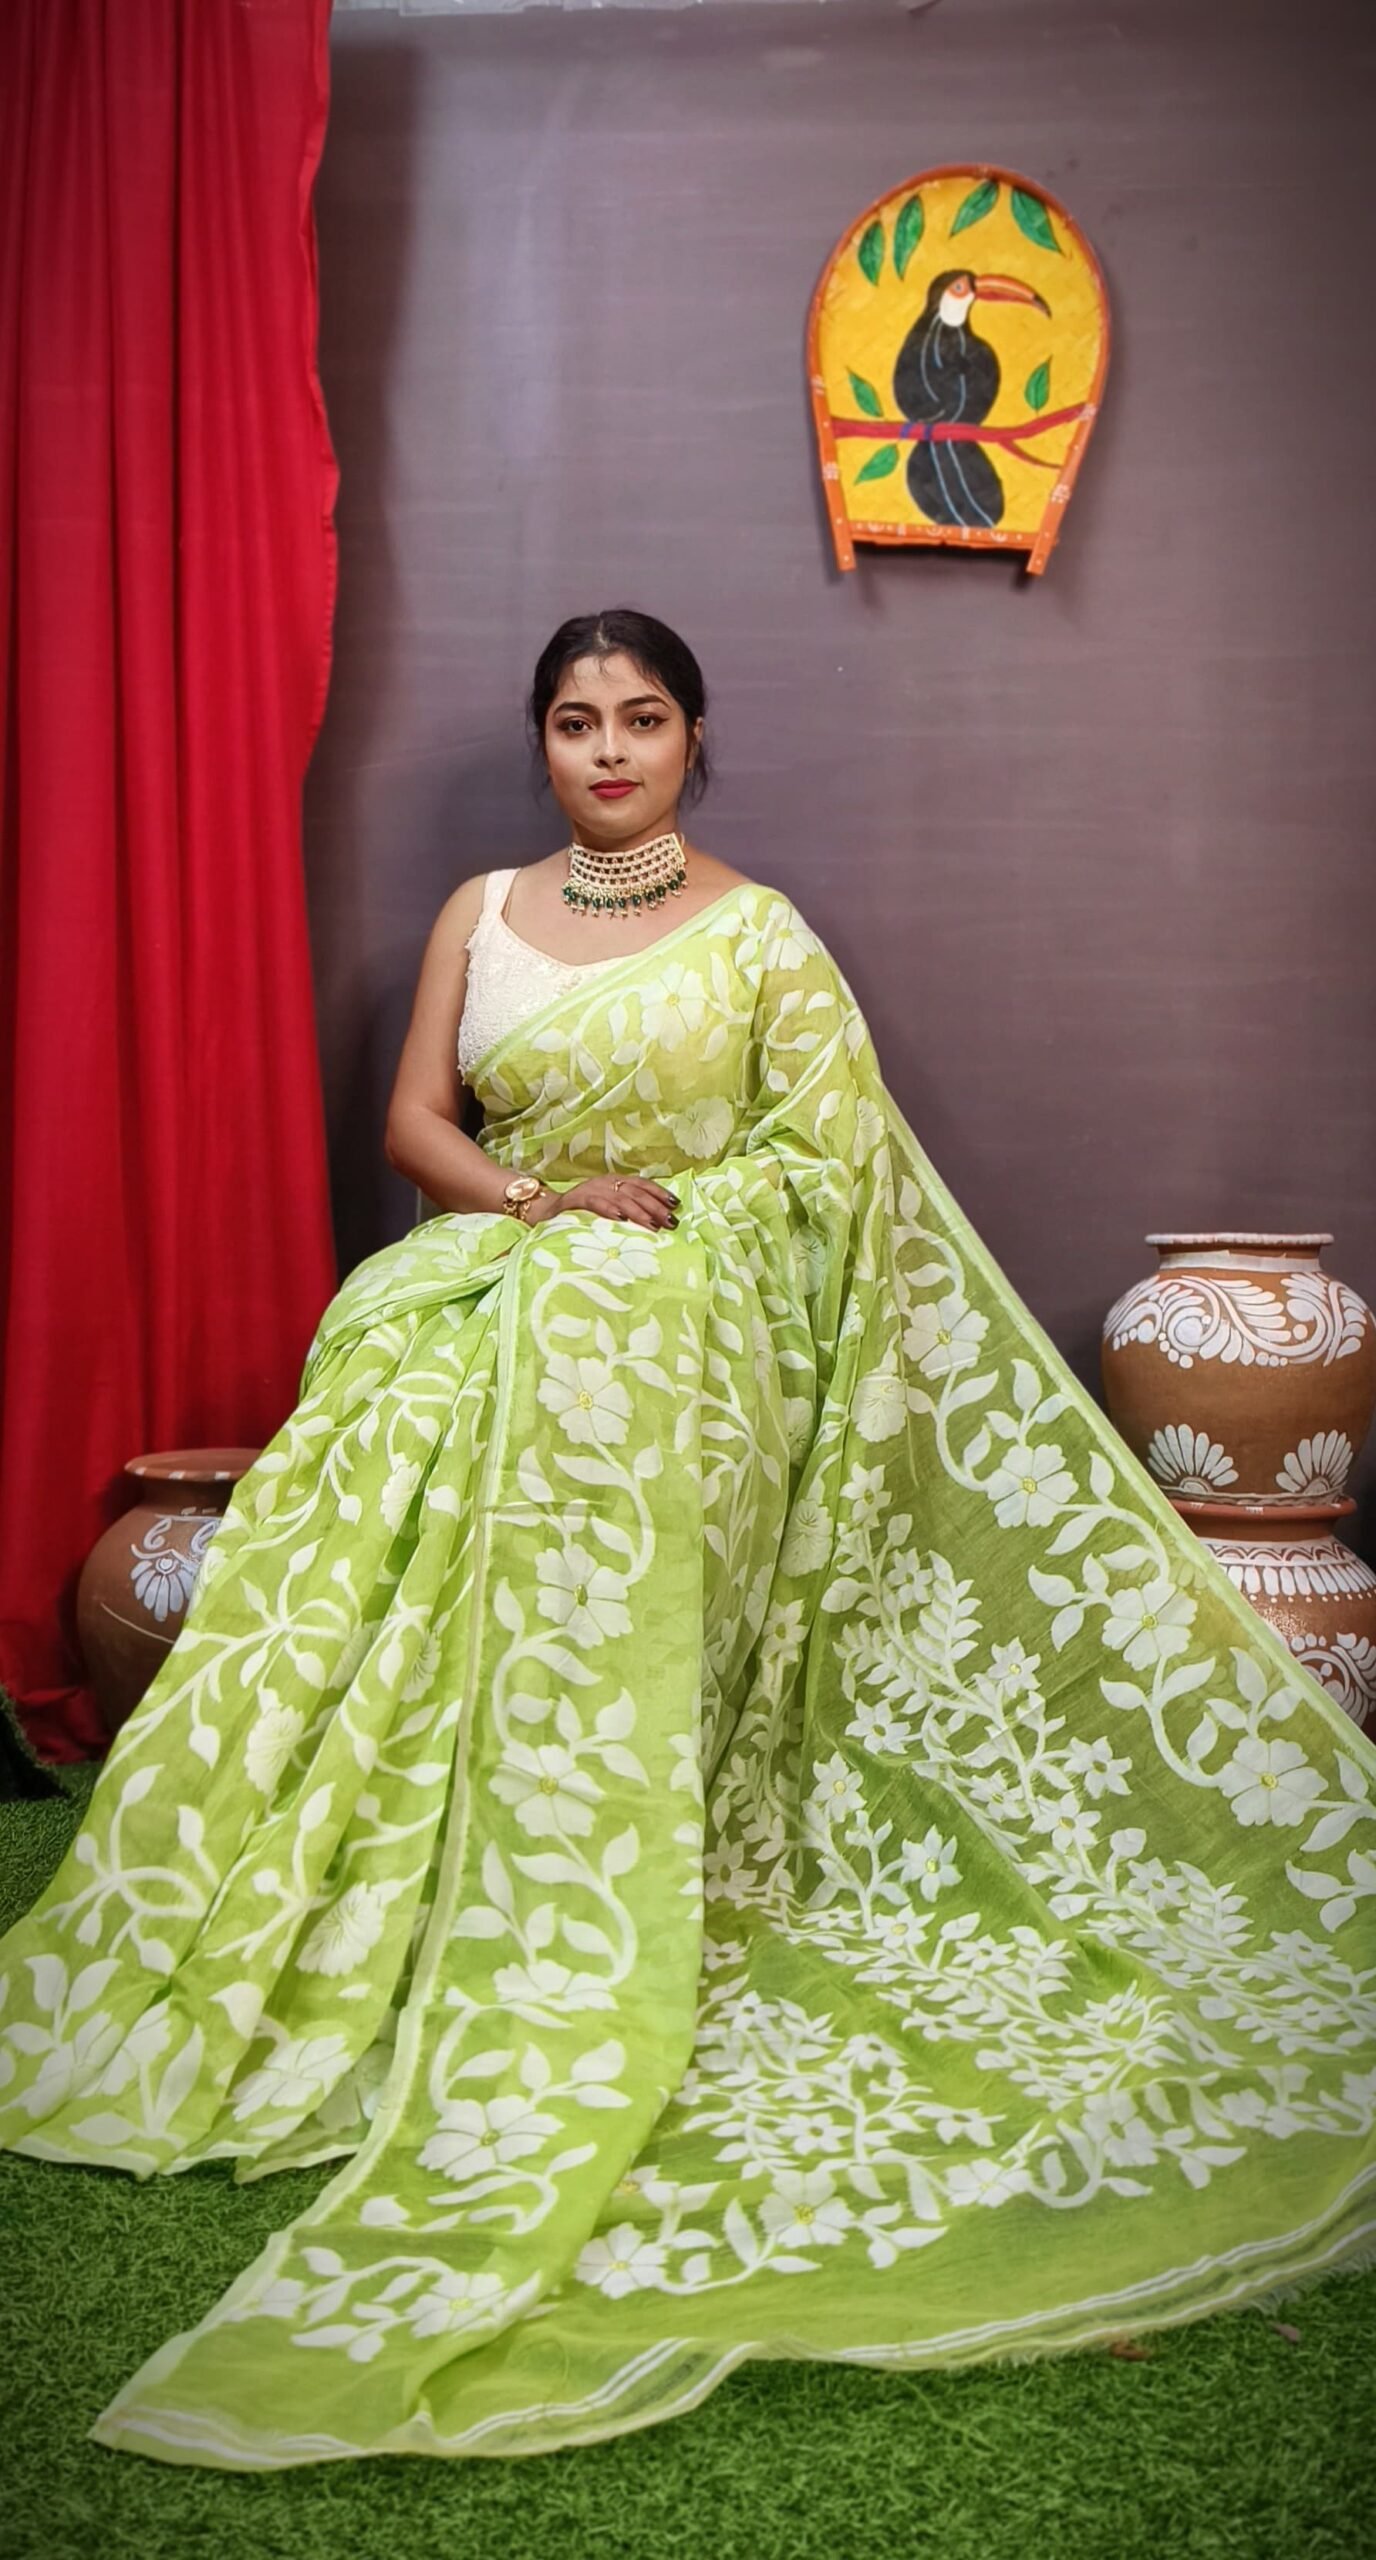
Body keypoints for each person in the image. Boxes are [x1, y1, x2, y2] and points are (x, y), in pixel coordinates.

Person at [1, 609, 1372, 2472]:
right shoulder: (482, 912)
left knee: (601, 1321)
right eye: (576, 721)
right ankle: (362, 1882)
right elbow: (414, 1122)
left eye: (641, 719)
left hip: (685, 1312)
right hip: (486, 1276)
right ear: (542, 744)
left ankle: (573, 1878)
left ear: (693, 739)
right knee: (448, 1380)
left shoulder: (761, 935)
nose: (608, 750)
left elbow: (827, 1172)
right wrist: (541, 1204)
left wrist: (649, 1234)